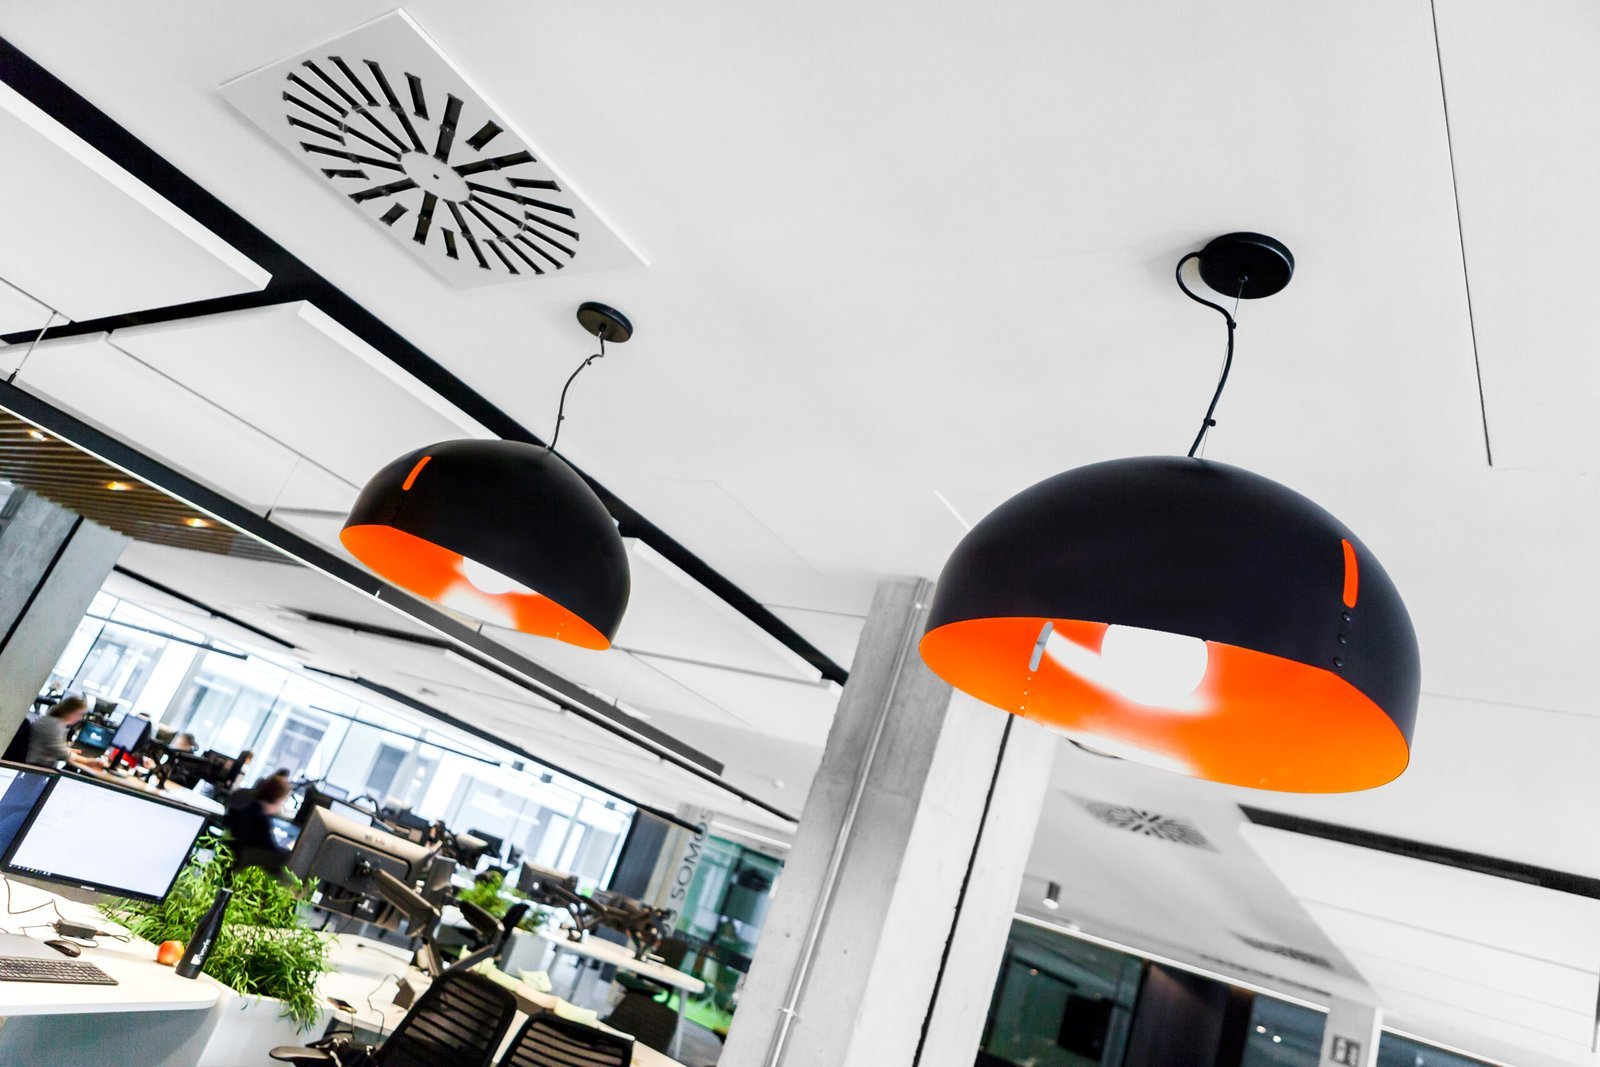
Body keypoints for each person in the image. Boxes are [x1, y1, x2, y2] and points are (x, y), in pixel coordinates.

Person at [222, 772, 293, 875]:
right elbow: (270, 849)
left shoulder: (250, 808)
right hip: (241, 863)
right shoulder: (260, 818)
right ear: (277, 798)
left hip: (232, 856)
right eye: (283, 800)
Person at [24, 697, 101, 771]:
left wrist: (67, 750)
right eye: (79, 714)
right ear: (69, 711)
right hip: (37, 767)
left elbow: (51, 746)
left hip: (35, 762)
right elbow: (60, 753)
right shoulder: (55, 725)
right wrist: (87, 761)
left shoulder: (50, 719)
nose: (80, 718)